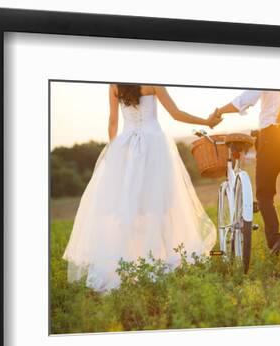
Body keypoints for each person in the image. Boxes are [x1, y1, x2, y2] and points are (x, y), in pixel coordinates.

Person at [63, 84, 222, 292]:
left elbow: (112, 122)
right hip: (154, 146)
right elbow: (176, 114)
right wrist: (207, 122)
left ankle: (130, 261)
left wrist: (114, 155)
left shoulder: (115, 85)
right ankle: (162, 258)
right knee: (161, 207)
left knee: (130, 207)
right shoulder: (153, 83)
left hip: (127, 147)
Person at [214, 90, 280, 254]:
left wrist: (219, 111)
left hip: (272, 136)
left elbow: (244, 100)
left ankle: (275, 241)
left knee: (264, 194)